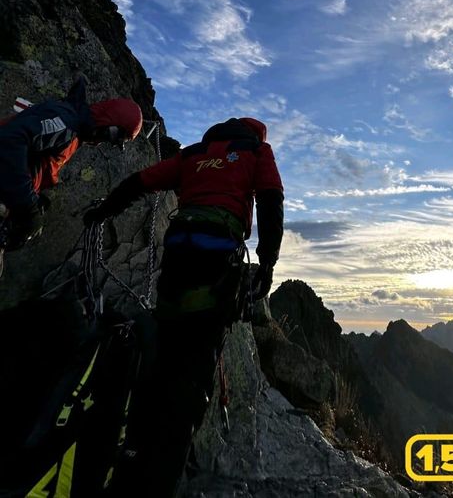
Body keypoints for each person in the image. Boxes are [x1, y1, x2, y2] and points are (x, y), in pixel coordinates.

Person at [84, 116, 284, 498]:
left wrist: (104, 210)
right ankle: (162, 472)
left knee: (162, 354)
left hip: (177, 258)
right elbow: (271, 200)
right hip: (217, 262)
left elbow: (139, 183)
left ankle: (130, 453)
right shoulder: (257, 152)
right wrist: (267, 264)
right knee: (195, 368)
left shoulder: (194, 154)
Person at [0, 77, 143, 274]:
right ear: (109, 122)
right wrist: (27, 204)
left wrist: (35, 197)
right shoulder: (66, 122)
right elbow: (11, 139)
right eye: (113, 136)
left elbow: (34, 158)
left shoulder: (74, 132)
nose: (105, 142)